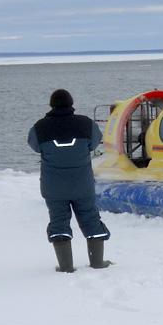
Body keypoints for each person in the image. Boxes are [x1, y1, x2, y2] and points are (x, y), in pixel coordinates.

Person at [27, 89, 111, 272]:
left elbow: (34, 146)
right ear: (71, 104)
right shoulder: (86, 124)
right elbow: (94, 143)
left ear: (51, 105)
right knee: (91, 219)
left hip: (54, 187)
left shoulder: (39, 127)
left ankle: (66, 267)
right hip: (82, 184)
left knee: (59, 222)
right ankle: (97, 262)